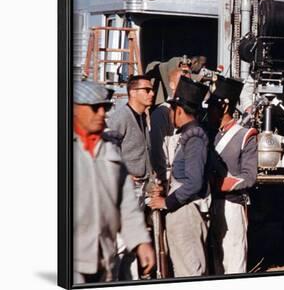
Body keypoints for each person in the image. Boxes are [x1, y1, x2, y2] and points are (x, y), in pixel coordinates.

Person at [73, 80, 155, 284]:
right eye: (95, 108)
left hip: (103, 257)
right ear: (75, 109)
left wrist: (140, 241)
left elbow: (126, 204)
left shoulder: (109, 150)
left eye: (106, 107)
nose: (102, 113)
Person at [148, 77, 210, 277]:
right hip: (182, 210)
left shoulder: (195, 138)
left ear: (180, 111)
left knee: (190, 272)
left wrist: (167, 202)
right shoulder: (189, 134)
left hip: (186, 211)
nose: (170, 114)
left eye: (173, 110)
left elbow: (194, 182)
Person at [207, 76, 258, 274]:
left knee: (234, 260)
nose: (209, 111)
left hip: (232, 203)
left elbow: (249, 176)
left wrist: (219, 184)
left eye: (212, 106)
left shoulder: (245, 135)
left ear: (225, 107)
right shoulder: (212, 134)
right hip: (212, 203)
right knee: (217, 260)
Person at [106, 75, 155, 279]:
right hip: (127, 188)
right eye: (147, 90)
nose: (152, 94)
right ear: (133, 92)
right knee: (121, 241)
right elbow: (108, 147)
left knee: (135, 240)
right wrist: (122, 174)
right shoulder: (121, 117)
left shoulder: (142, 117)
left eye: (152, 90)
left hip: (141, 188)